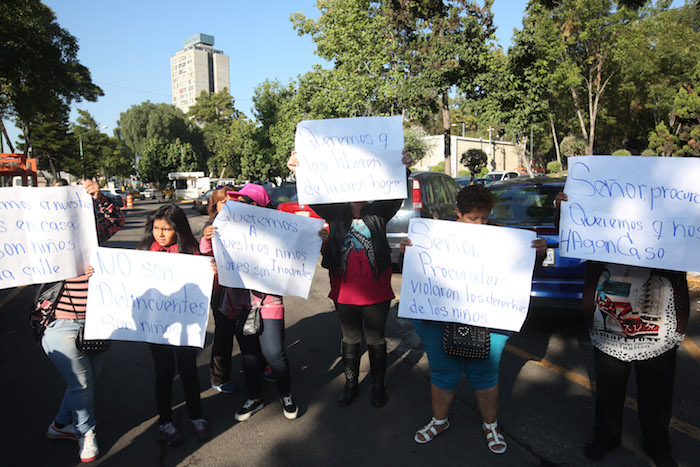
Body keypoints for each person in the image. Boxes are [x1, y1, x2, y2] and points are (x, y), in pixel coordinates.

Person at [400, 184, 546, 454]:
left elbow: (519, 273)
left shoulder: (502, 238)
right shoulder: (434, 237)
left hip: (487, 320)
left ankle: (491, 425)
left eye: (485, 217)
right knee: (444, 372)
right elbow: (418, 272)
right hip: (439, 320)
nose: (481, 224)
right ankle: (439, 421)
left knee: (485, 374)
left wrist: (538, 254)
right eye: (473, 218)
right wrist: (409, 252)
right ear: (458, 212)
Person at [555, 192, 688, 466]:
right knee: (608, 388)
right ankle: (606, 436)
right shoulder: (604, 225)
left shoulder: (669, 227)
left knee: (657, 392)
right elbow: (572, 236)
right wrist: (563, 211)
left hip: (660, 323)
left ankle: (658, 444)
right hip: (609, 321)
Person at [286, 150, 412, 408]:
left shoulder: (379, 210)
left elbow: (399, 192)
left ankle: (378, 385)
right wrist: (297, 170)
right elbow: (311, 193)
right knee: (350, 339)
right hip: (344, 290)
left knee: (376, 340)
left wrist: (404, 168)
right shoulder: (334, 212)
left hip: (376, 289)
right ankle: (351, 384)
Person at [41, 180, 124, 463]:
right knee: (81, 381)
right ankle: (85, 432)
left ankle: (60, 424)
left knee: (87, 381)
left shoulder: (93, 234)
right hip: (59, 321)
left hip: (96, 321)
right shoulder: (41, 240)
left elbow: (116, 218)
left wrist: (99, 195)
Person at [207, 183, 299, 421]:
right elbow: (207, 251)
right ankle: (255, 398)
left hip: (269, 302)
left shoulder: (277, 231)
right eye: (236, 201)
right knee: (249, 355)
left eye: (245, 202)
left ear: (260, 207)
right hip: (240, 304)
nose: (237, 206)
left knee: (274, 352)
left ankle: (286, 395)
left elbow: (301, 250)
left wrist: (316, 237)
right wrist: (209, 239)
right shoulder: (227, 229)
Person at [137, 203, 209, 445]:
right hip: (156, 326)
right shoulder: (145, 251)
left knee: (188, 371)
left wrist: (213, 271)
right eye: (157, 228)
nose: (160, 233)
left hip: (185, 325)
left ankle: (196, 417)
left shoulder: (191, 251)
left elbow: (205, 285)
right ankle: (165, 421)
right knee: (164, 372)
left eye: (166, 229)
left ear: (177, 229)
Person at [199, 185, 238, 394]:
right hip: (221, 290)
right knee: (223, 334)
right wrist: (206, 238)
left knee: (250, 332)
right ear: (215, 205)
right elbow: (204, 251)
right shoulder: (211, 226)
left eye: (233, 199)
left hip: (245, 289)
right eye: (223, 200)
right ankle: (219, 376)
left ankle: (260, 367)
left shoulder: (249, 224)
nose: (229, 203)